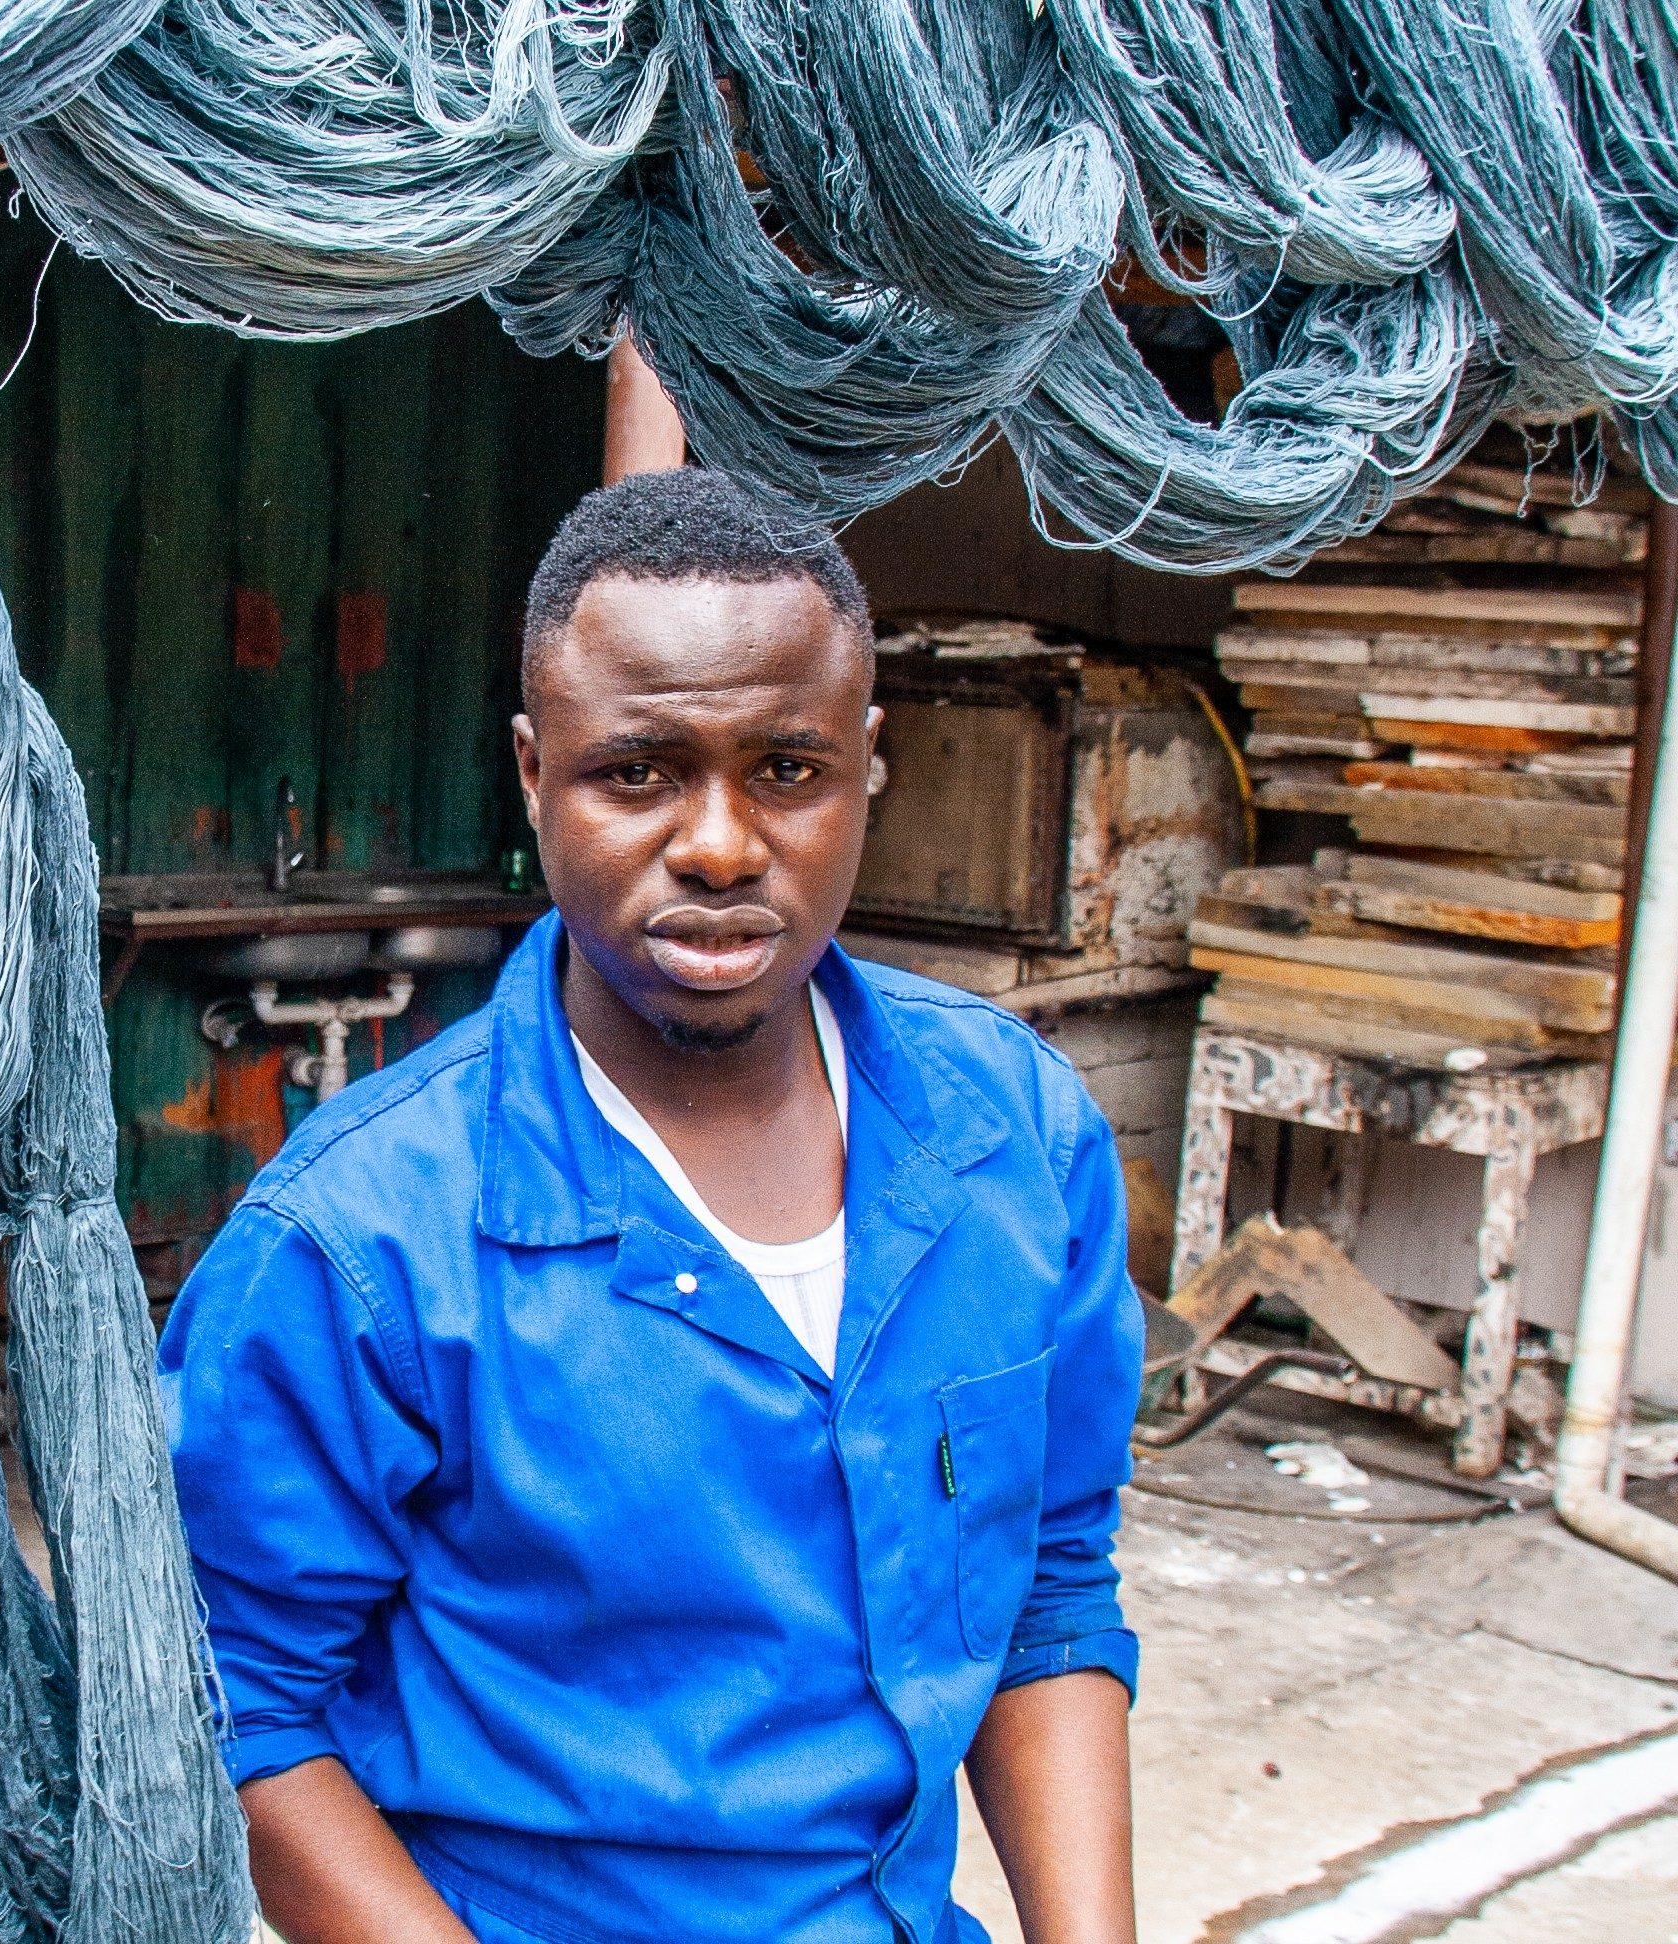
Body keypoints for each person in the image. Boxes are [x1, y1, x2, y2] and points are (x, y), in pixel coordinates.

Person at [161, 466, 1144, 1944]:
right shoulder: (356, 1246)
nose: (721, 844)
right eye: (640, 772)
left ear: (870, 766)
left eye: (788, 771)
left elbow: (1051, 1594)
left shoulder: (1020, 1139)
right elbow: (238, 1718)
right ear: (531, 773)